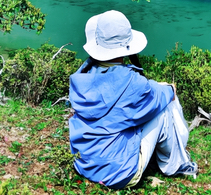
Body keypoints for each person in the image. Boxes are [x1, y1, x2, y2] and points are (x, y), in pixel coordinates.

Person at [68, 10, 198, 189]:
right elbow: (165, 94)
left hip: (84, 163)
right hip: (119, 173)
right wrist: (169, 87)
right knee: (166, 106)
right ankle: (176, 165)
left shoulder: (82, 76)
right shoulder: (132, 83)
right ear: (126, 46)